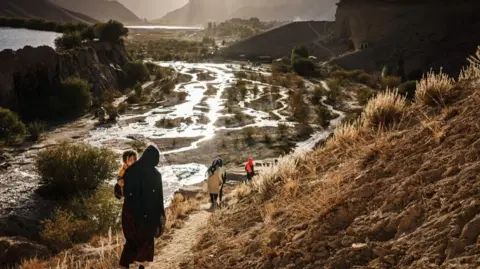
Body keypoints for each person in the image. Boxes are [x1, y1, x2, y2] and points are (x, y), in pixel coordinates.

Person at [119, 146, 166, 269]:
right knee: (146, 242)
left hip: (130, 215)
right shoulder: (156, 175)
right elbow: (158, 198)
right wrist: (159, 216)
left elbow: (123, 191)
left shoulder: (132, 170)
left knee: (131, 242)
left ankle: (124, 266)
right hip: (148, 217)